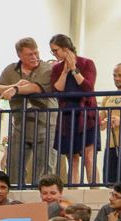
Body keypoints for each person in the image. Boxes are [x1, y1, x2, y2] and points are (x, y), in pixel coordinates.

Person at [0, 37, 56, 186]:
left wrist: (15, 90)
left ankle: (42, 201)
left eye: (36, 53)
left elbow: (37, 87)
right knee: (13, 166)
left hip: (44, 124)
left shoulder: (46, 68)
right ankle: (16, 202)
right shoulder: (11, 69)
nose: (34, 57)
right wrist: (15, 85)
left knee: (45, 168)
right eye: (30, 54)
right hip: (20, 124)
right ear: (20, 56)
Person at [49, 35, 99, 185]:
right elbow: (57, 90)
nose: (54, 54)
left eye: (55, 50)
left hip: (86, 113)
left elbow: (88, 87)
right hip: (67, 115)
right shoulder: (57, 68)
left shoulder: (87, 63)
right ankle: (74, 191)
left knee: (89, 156)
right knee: (73, 157)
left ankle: (94, 190)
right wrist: (64, 72)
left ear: (66, 48)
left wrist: (74, 70)